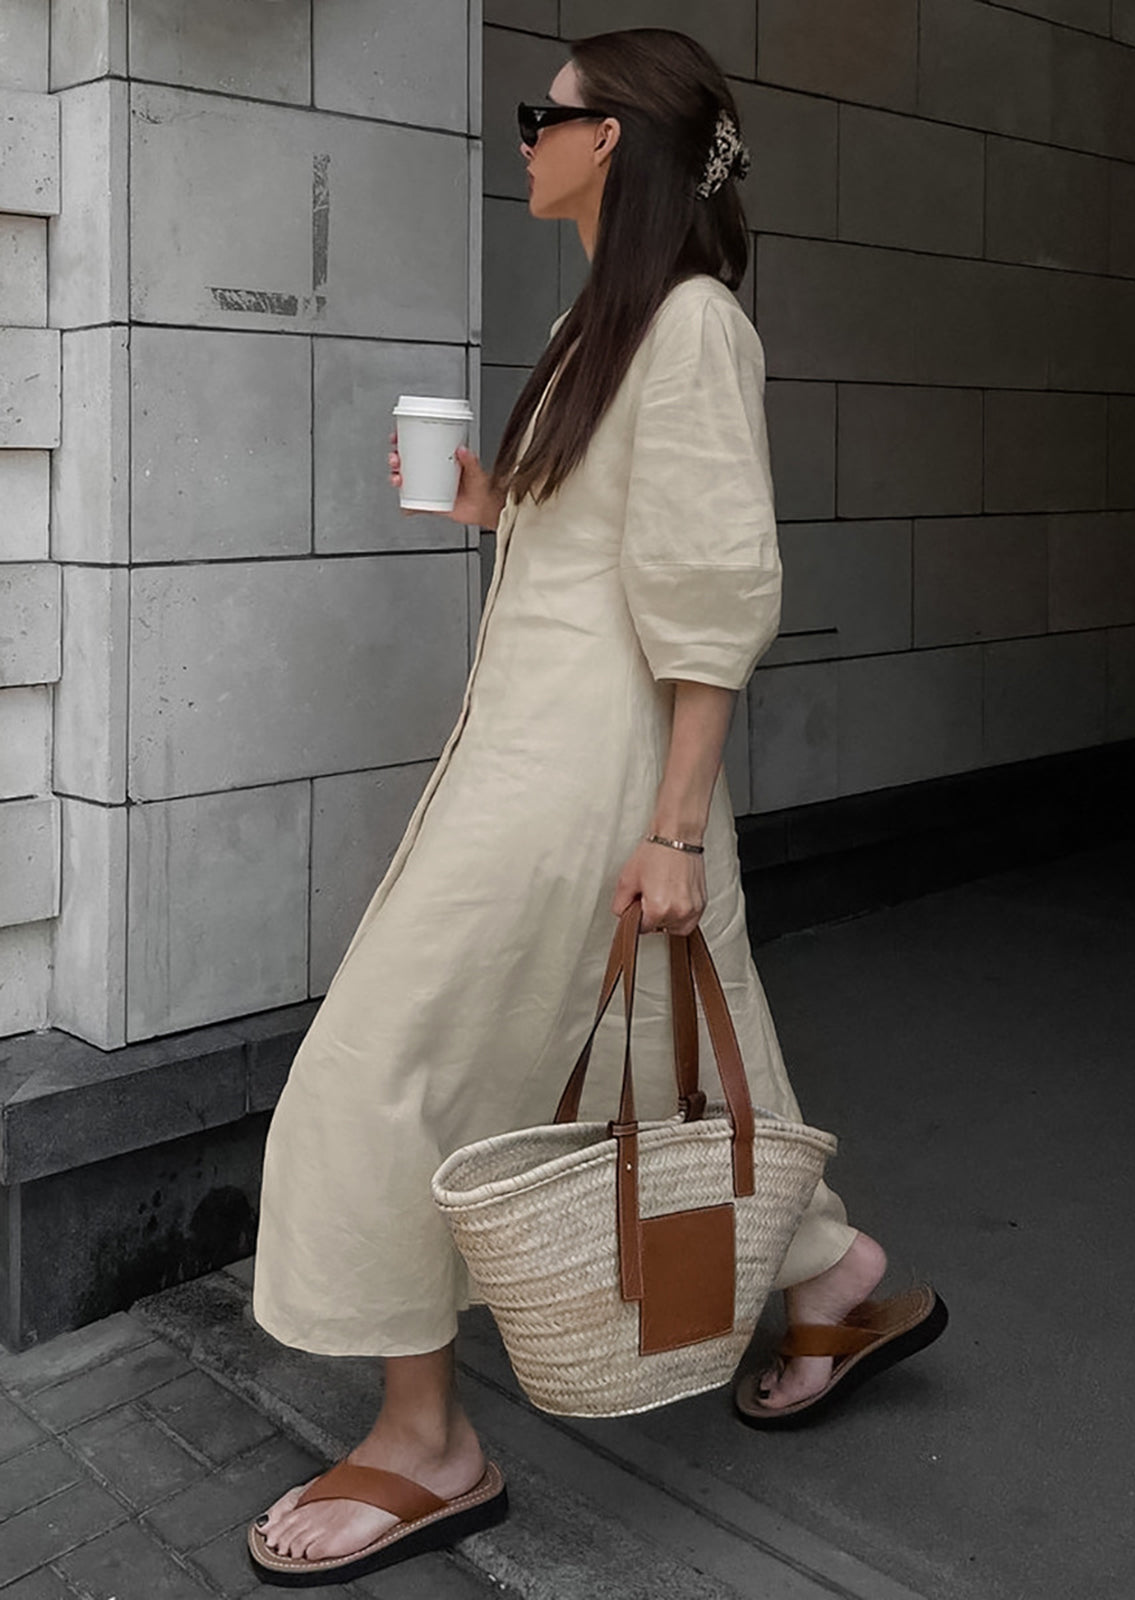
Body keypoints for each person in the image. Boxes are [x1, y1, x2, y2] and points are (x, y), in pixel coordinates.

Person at [247, 27, 945, 1588]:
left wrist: (674, 828)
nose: (525, 138)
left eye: (542, 116)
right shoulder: (608, 320)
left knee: (379, 1063)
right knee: (682, 1044)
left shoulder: (689, 324)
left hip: (584, 784)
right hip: (551, 761)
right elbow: (613, 535)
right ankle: (830, 1272)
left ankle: (429, 1443)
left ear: (611, 140)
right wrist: (499, 503)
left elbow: (715, 590)